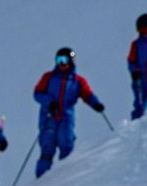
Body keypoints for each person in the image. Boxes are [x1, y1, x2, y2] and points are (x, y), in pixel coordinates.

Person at [33, 48, 105, 178]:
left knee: (67, 147)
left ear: (71, 61)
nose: (61, 63)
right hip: (49, 118)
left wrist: (96, 104)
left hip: (66, 118)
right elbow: (37, 93)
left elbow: (87, 94)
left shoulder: (77, 81)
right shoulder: (48, 77)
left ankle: (65, 181)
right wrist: (49, 103)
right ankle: (40, 183)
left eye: (64, 60)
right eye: (58, 60)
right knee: (47, 150)